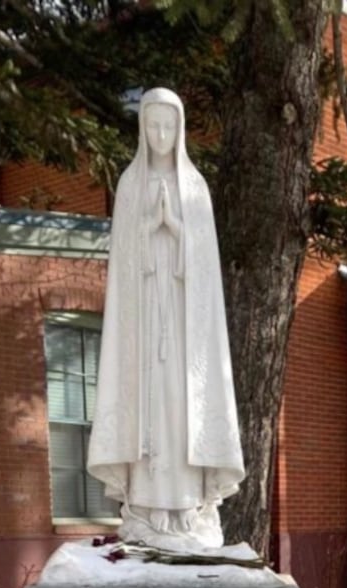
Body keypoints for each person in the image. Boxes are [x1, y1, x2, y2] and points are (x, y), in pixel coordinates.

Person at [88, 88, 245, 550]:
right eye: (152, 125)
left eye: (168, 126)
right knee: (149, 407)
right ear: (143, 129)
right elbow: (121, 266)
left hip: (184, 333)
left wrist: (175, 230)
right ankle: (147, 508)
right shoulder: (130, 185)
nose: (160, 134)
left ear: (180, 130)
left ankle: (187, 507)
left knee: (183, 406)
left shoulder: (195, 189)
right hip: (141, 328)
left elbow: (205, 273)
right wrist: (145, 230)